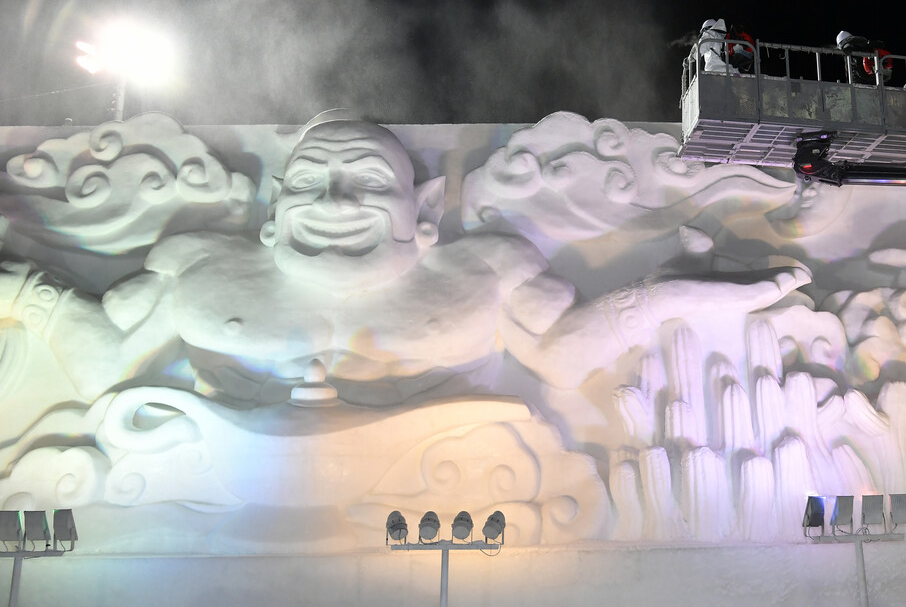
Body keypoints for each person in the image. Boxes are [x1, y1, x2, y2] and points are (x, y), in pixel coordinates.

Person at [0, 120, 810, 404]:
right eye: (312, 181)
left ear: (421, 217)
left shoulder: (484, 271)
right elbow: (102, 358)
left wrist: (671, 298)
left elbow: (564, 359)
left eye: (366, 181)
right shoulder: (195, 267)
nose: (336, 197)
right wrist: (25, 291)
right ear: (275, 215)